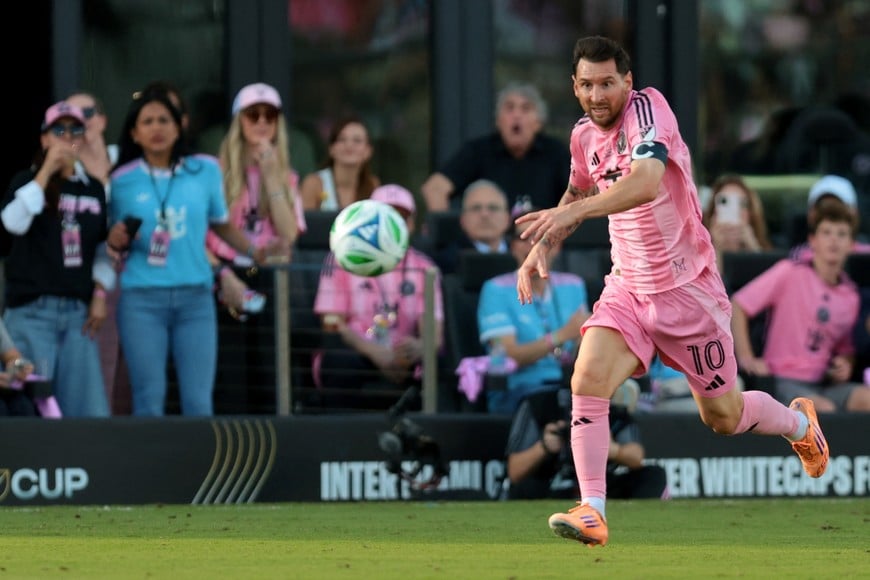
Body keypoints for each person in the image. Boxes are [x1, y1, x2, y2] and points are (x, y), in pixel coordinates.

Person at [514, 36, 829, 548]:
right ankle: (592, 508)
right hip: (628, 289)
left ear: (627, 83)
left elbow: (644, 182)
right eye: (588, 84)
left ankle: (798, 424)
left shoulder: (649, 111)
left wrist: (572, 213)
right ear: (574, 87)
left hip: (688, 293)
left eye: (608, 83)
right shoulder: (581, 137)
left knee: (722, 417)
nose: (598, 95)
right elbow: (576, 190)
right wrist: (543, 246)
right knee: (587, 378)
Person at [106, 87, 266, 417]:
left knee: (198, 401)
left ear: (180, 126)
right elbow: (110, 241)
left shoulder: (205, 169)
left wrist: (255, 250)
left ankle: (201, 469)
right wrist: (117, 238)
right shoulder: (120, 181)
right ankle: (149, 467)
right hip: (142, 299)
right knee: (149, 397)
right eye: (147, 121)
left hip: (195, 297)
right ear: (134, 133)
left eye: (164, 119)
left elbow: (220, 224)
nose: (156, 127)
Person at [0, 101, 112, 417]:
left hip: (78, 316)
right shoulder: (26, 182)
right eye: (58, 130)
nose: (67, 136)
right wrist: (47, 170)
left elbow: (102, 250)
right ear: (44, 138)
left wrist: (101, 291)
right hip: (32, 313)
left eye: (75, 129)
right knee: (33, 409)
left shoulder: (93, 189)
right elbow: (12, 223)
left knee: (89, 414)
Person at [313, 184, 443, 410]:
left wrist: (419, 346)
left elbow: (435, 334)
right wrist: (375, 352)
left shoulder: (425, 267)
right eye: (384, 217)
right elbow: (331, 323)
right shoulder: (340, 258)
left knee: (435, 364)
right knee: (339, 362)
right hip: (357, 352)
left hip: (403, 357)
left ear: (411, 225)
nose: (392, 225)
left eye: (401, 218)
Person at [731, 201, 870, 413]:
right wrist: (746, 358)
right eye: (826, 232)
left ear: (851, 244)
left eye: (842, 234)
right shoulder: (789, 272)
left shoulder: (851, 295)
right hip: (781, 381)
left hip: (824, 383)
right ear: (812, 240)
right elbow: (739, 304)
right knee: (823, 410)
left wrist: (844, 364)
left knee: (865, 399)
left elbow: (845, 349)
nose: (834, 240)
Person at [207, 82, 307, 318]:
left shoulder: (286, 177)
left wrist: (271, 177)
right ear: (239, 120)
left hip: (269, 272)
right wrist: (223, 275)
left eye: (269, 115)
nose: (262, 122)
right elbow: (200, 234)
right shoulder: (214, 172)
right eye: (253, 115)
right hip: (224, 271)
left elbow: (290, 234)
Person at [477, 208, 589, 415]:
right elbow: (510, 356)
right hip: (521, 390)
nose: (532, 245)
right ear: (512, 247)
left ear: (557, 245)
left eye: (540, 236)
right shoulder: (495, 289)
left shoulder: (573, 285)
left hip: (570, 385)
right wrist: (563, 335)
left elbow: (582, 346)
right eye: (524, 237)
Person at [421, 81, 570, 213]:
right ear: (498, 121)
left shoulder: (556, 153)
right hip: (491, 242)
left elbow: (580, 196)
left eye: (525, 109)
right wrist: (445, 237)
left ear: (538, 123)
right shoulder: (478, 151)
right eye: (509, 108)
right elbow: (435, 188)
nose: (516, 115)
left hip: (544, 240)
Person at [503, 385, 668, 500]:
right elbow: (515, 472)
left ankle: (629, 520)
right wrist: (544, 447)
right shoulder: (542, 404)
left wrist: (613, 449)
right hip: (554, 484)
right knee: (524, 488)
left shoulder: (614, 405)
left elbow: (636, 457)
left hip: (603, 487)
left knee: (654, 474)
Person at [299, 116, 380, 210]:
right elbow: (305, 224)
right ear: (331, 149)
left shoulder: (372, 184)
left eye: (357, 141)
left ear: (368, 151)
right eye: (342, 139)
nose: (349, 145)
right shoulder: (314, 183)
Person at [434, 179, 512, 275]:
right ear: (463, 220)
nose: (485, 214)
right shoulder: (445, 262)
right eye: (476, 208)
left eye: (493, 208)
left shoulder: (524, 255)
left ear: (508, 219)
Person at [700, 173, 773, 272]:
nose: (735, 211)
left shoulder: (769, 253)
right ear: (714, 214)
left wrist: (753, 249)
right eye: (724, 203)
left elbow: (771, 283)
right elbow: (708, 286)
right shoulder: (697, 257)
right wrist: (716, 248)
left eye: (741, 204)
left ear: (751, 213)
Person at [788, 174, 870, 258]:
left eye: (838, 207)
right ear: (810, 214)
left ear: (853, 213)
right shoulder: (797, 258)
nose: (833, 239)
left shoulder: (867, 255)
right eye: (821, 208)